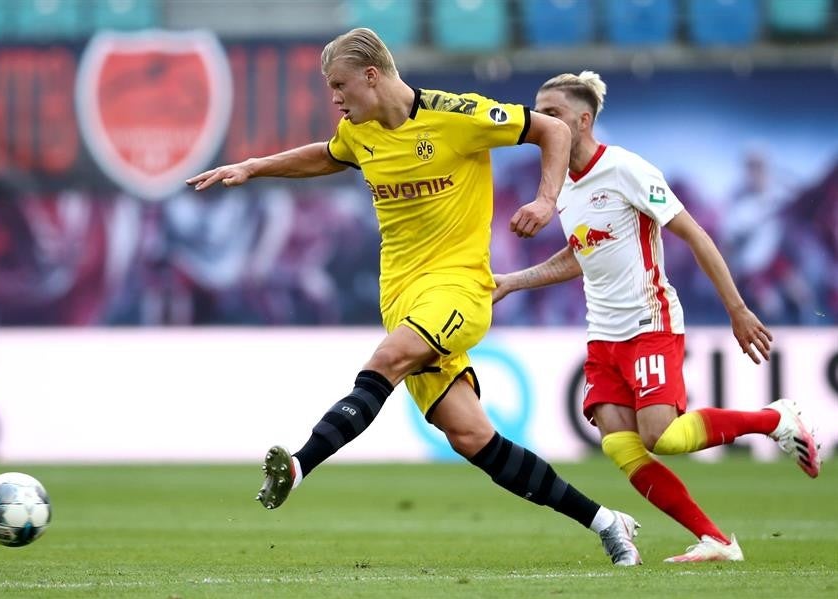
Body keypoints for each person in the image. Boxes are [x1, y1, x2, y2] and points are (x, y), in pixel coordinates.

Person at [188, 28, 641, 566]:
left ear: (372, 76)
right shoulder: (359, 134)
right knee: (472, 438)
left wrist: (546, 201)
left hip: (459, 289)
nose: (334, 98)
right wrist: (254, 167)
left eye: (339, 85)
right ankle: (607, 523)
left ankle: (299, 464)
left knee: (387, 359)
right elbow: (328, 155)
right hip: (401, 298)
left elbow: (550, 131)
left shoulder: (457, 116)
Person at [492, 71, 822, 563]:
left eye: (552, 113)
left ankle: (774, 418)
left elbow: (695, 235)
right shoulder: (558, 185)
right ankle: (716, 540)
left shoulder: (627, 169)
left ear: (583, 121)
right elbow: (580, 253)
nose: (541, 121)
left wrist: (737, 308)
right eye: (538, 112)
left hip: (650, 321)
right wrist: (514, 280)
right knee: (620, 446)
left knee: (661, 436)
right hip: (602, 334)